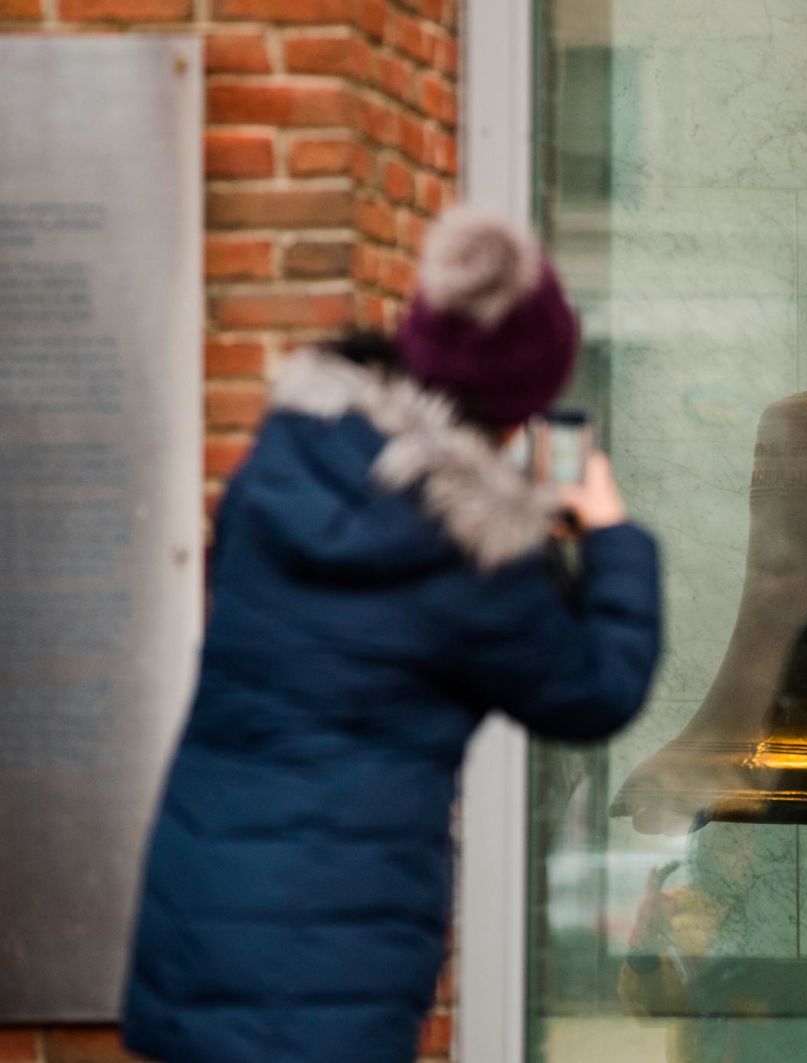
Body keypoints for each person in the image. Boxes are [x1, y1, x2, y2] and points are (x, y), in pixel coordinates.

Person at [120, 209, 662, 1062]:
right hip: (336, 958)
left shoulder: (283, 463)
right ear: (520, 403)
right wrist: (610, 535)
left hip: (199, 917)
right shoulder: (474, 559)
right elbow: (594, 687)